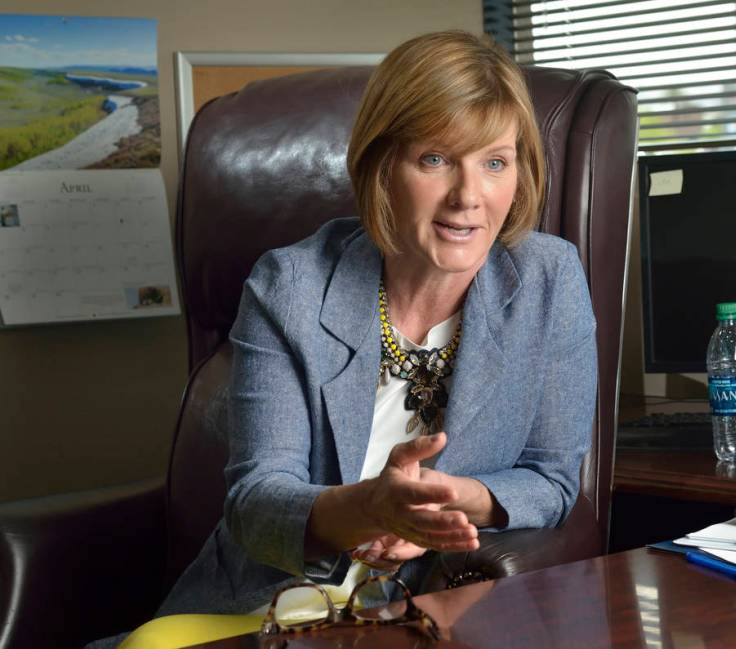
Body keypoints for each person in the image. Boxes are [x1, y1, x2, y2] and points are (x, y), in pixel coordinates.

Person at [87, 29, 596, 648]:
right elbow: (254, 499)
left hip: (417, 612)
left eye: (495, 162)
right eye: (435, 159)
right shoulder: (291, 285)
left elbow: (553, 480)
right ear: (383, 166)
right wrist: (371, 507)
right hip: (264, 606)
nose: (469, 197)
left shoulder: (550, 280)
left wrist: (448, 502)